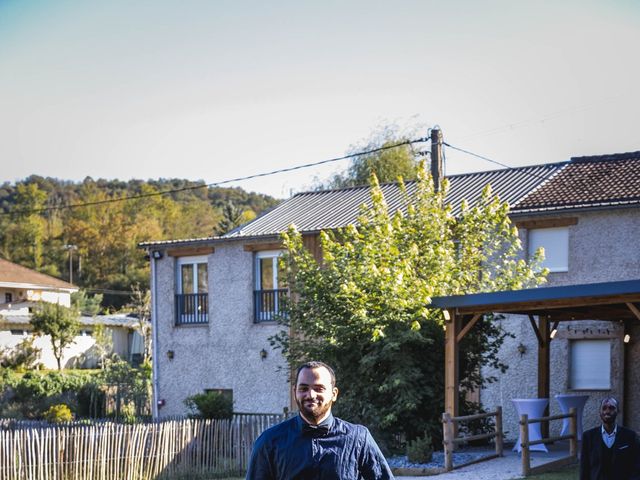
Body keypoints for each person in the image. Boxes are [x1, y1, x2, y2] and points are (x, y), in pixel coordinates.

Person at [246, 360, 395, 479]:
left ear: (334, 393)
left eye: (319, 388)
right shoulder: (270, 442)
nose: (311, 395)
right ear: (294, 392)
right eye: (303, 388)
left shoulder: (358, 439)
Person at [580, 396, 640, 480]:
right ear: (599, 412)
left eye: (611, 408)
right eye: (604, 408)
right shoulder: (588, 437)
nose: (607, 411)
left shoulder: (630, 436)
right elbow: (584, 468)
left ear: (618, 411)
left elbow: (637, 466)